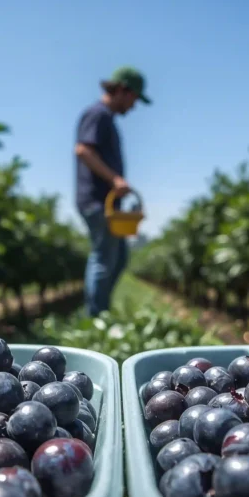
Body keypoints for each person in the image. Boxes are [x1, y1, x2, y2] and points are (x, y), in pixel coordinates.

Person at [74, 66, 151, 316]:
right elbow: (83, 150)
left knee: (117, 259)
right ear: (122, 90)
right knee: (104, 259)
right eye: (134, 98)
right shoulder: (98, 114)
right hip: (96, 201)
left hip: (106, 204)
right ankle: (96, 317)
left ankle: (100, 310)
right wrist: (115, 179)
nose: (134, 106)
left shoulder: (106, 118)